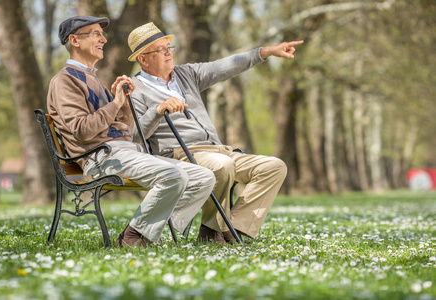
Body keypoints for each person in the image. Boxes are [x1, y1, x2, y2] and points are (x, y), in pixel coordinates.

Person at [47, 16, 216, 248]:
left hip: (125, 152)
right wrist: (115, 103)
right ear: (74, 40)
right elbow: (82, 131)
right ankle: (132, 238)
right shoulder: (64, 81)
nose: (103, 39)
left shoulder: (93, 79)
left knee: (204, 177)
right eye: (96, 34)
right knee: (173, 175)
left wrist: (123, 102)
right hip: (100, 158)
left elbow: (124, 130)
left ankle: (156, 232)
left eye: (101, 34)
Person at [127, 22, 302, 243]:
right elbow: (134, 135)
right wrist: (158, 110)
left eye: (169, 48)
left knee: (274, 167)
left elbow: (226, 65)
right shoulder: (134, 89)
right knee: (222, 164)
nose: (169, 53)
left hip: (219, 150)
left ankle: (232, 228)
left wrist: (265, 52)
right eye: (161, 50)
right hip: (180, 155)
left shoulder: (186, 74)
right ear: (143, 59)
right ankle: (214, 231)